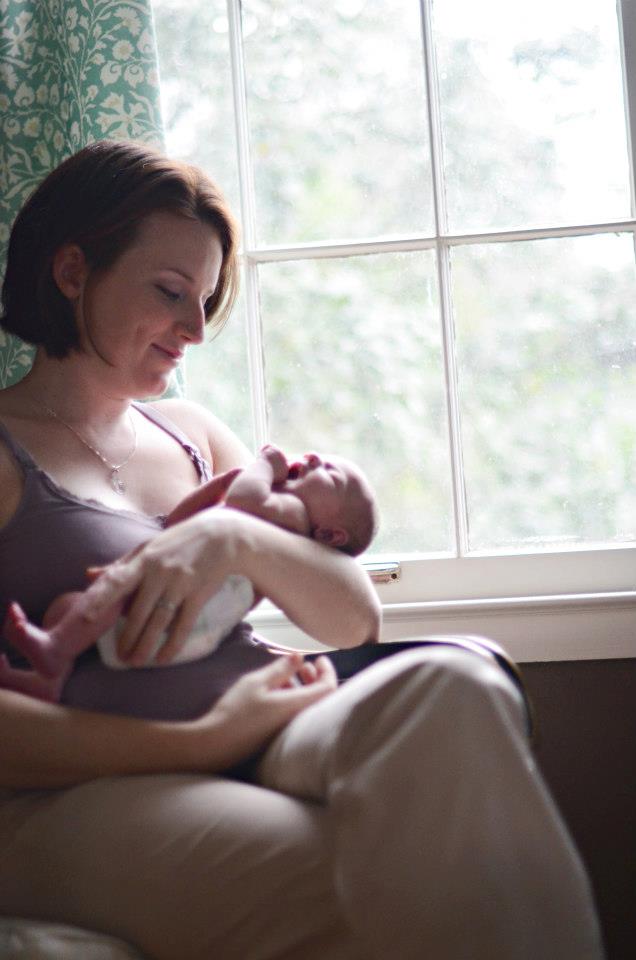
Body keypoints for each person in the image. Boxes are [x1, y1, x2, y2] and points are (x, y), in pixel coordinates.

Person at [0, 139, 604, 960]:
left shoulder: (193, 437)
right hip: (82, 790)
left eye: (206, 302)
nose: (194, 332)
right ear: (72, 272)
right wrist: (204, 739)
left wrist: (229, 534)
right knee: (362, 872)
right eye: (171, 292)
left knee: (451, 683)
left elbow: (354, 617)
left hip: (270, 724)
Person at [0, 443, 378, 701]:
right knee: (68, 608)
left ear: (330, 533)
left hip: (183, 615)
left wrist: (263, 466)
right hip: (179, 627)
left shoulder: (292, 516)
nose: (314, 459)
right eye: (323, 458)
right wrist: (225, 483)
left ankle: (55, 650)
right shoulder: (274, 509)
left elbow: (243, 502)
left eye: (331, 475)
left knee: (111, 596)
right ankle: (53, 670)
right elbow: (180, 527)